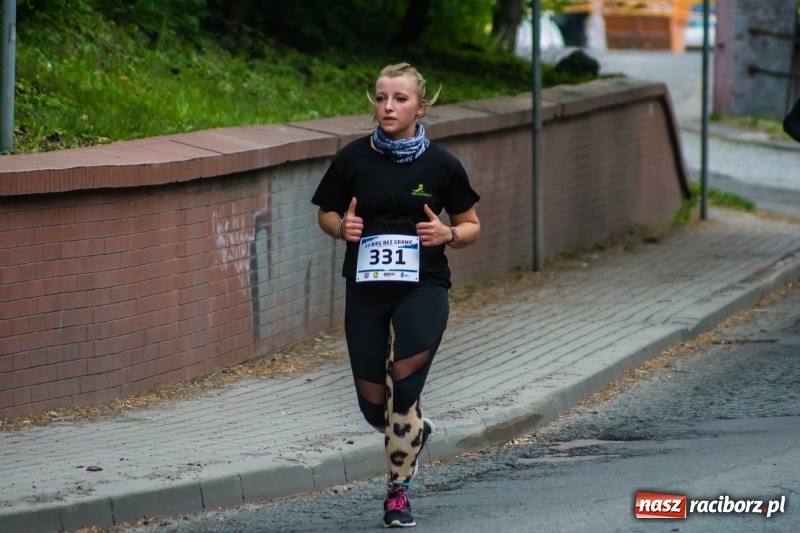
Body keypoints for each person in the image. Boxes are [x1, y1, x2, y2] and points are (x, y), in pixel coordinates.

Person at [311, 62, 481, 528]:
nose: (389, 106)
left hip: (423, 286)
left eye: (400, 99)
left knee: (403, 382)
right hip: (366, 288)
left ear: (420, 107)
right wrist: (340, 227)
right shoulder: (352, 159)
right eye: (382, 98)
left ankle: (397, 494)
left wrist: (447, 234)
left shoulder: (442, 164)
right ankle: (415, 432)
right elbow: (326, 213)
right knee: (373, 405)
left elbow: (471, 226)